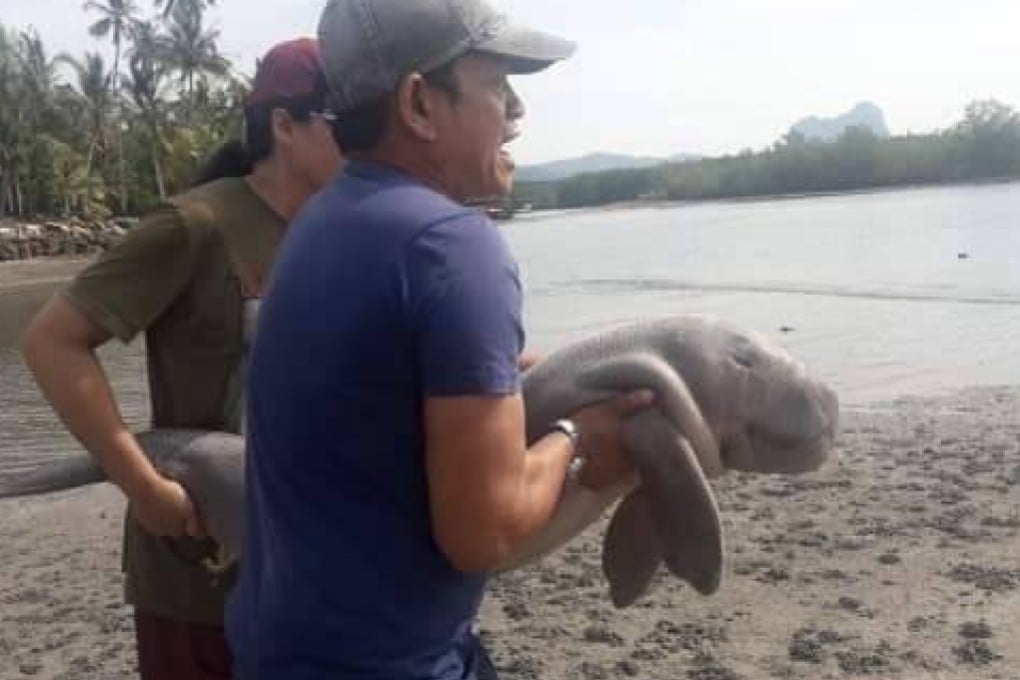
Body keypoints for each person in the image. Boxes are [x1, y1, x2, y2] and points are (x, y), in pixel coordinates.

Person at [226, 1, 654, 678]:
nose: (517, 112)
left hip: (280, 647)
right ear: (419, 103)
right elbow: (483, 531)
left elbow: (368, 394)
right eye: (496, 85)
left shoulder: (322, 221)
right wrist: (578, 433)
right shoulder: (452, 246)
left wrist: (498, 379)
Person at [21, 38, 342, 680]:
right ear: (284, 124)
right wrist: (143, 486)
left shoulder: (344, 228)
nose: (369, 137)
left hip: (313, 563)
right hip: (198, 571)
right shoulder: (195, 223)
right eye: (347, 121)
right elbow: (51, 342)